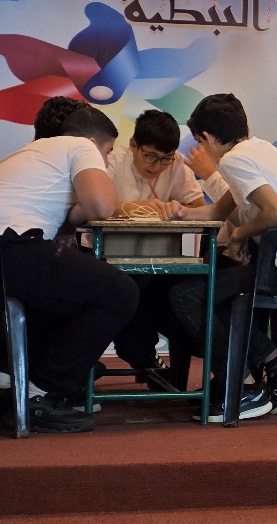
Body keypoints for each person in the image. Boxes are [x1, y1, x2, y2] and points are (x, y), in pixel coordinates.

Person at [0, 106, 137, 433]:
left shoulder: (26, 154)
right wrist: (71, 218)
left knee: (66, 291)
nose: (105, 162)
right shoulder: (81, 145)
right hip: (7, 251)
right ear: (93, 141)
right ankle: (40, 392)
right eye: (108, 152)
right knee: (120, 291)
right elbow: (102, 205)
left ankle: (2, 385)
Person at [171, 94, 277, 422]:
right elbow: (218, 210)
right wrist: (181, 213)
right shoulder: (262, 149)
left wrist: (239, 234)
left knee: (187, 296)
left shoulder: (232, 161)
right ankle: (262, 365)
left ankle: (250, 376)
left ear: (207, 137)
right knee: (210, 294)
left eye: (199, 142)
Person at [105, 110, 207, 379]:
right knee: (128, 296)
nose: (157, 167)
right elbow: (98, 206)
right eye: (150, 156)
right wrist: (139, 207)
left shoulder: (176, 165)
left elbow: (199, 207)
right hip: (111, 259)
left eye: (165, 158)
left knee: (176, 296)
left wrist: (180, 209)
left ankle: (152, 361)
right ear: (133, 145)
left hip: (160, 260)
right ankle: (145, 358)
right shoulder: (113, 161)